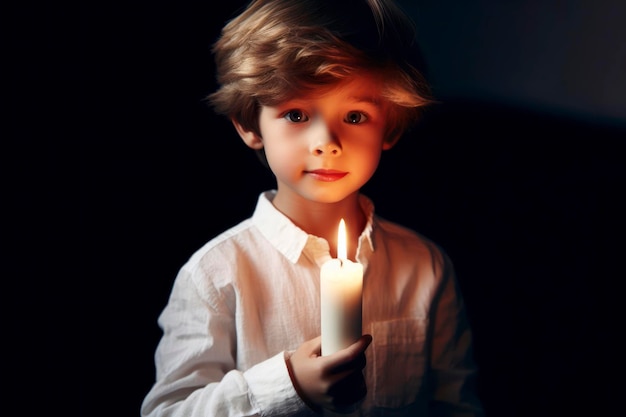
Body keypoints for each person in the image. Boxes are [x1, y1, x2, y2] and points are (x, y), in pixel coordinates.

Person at [141, 0, 484, 415]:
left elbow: (455, 403)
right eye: (297, 114)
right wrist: (287, 386)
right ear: (250, 125)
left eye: (356, 116)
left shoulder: (424, 267)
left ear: (389, 126)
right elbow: (168, 410)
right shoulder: (215, 276)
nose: (327, 141)